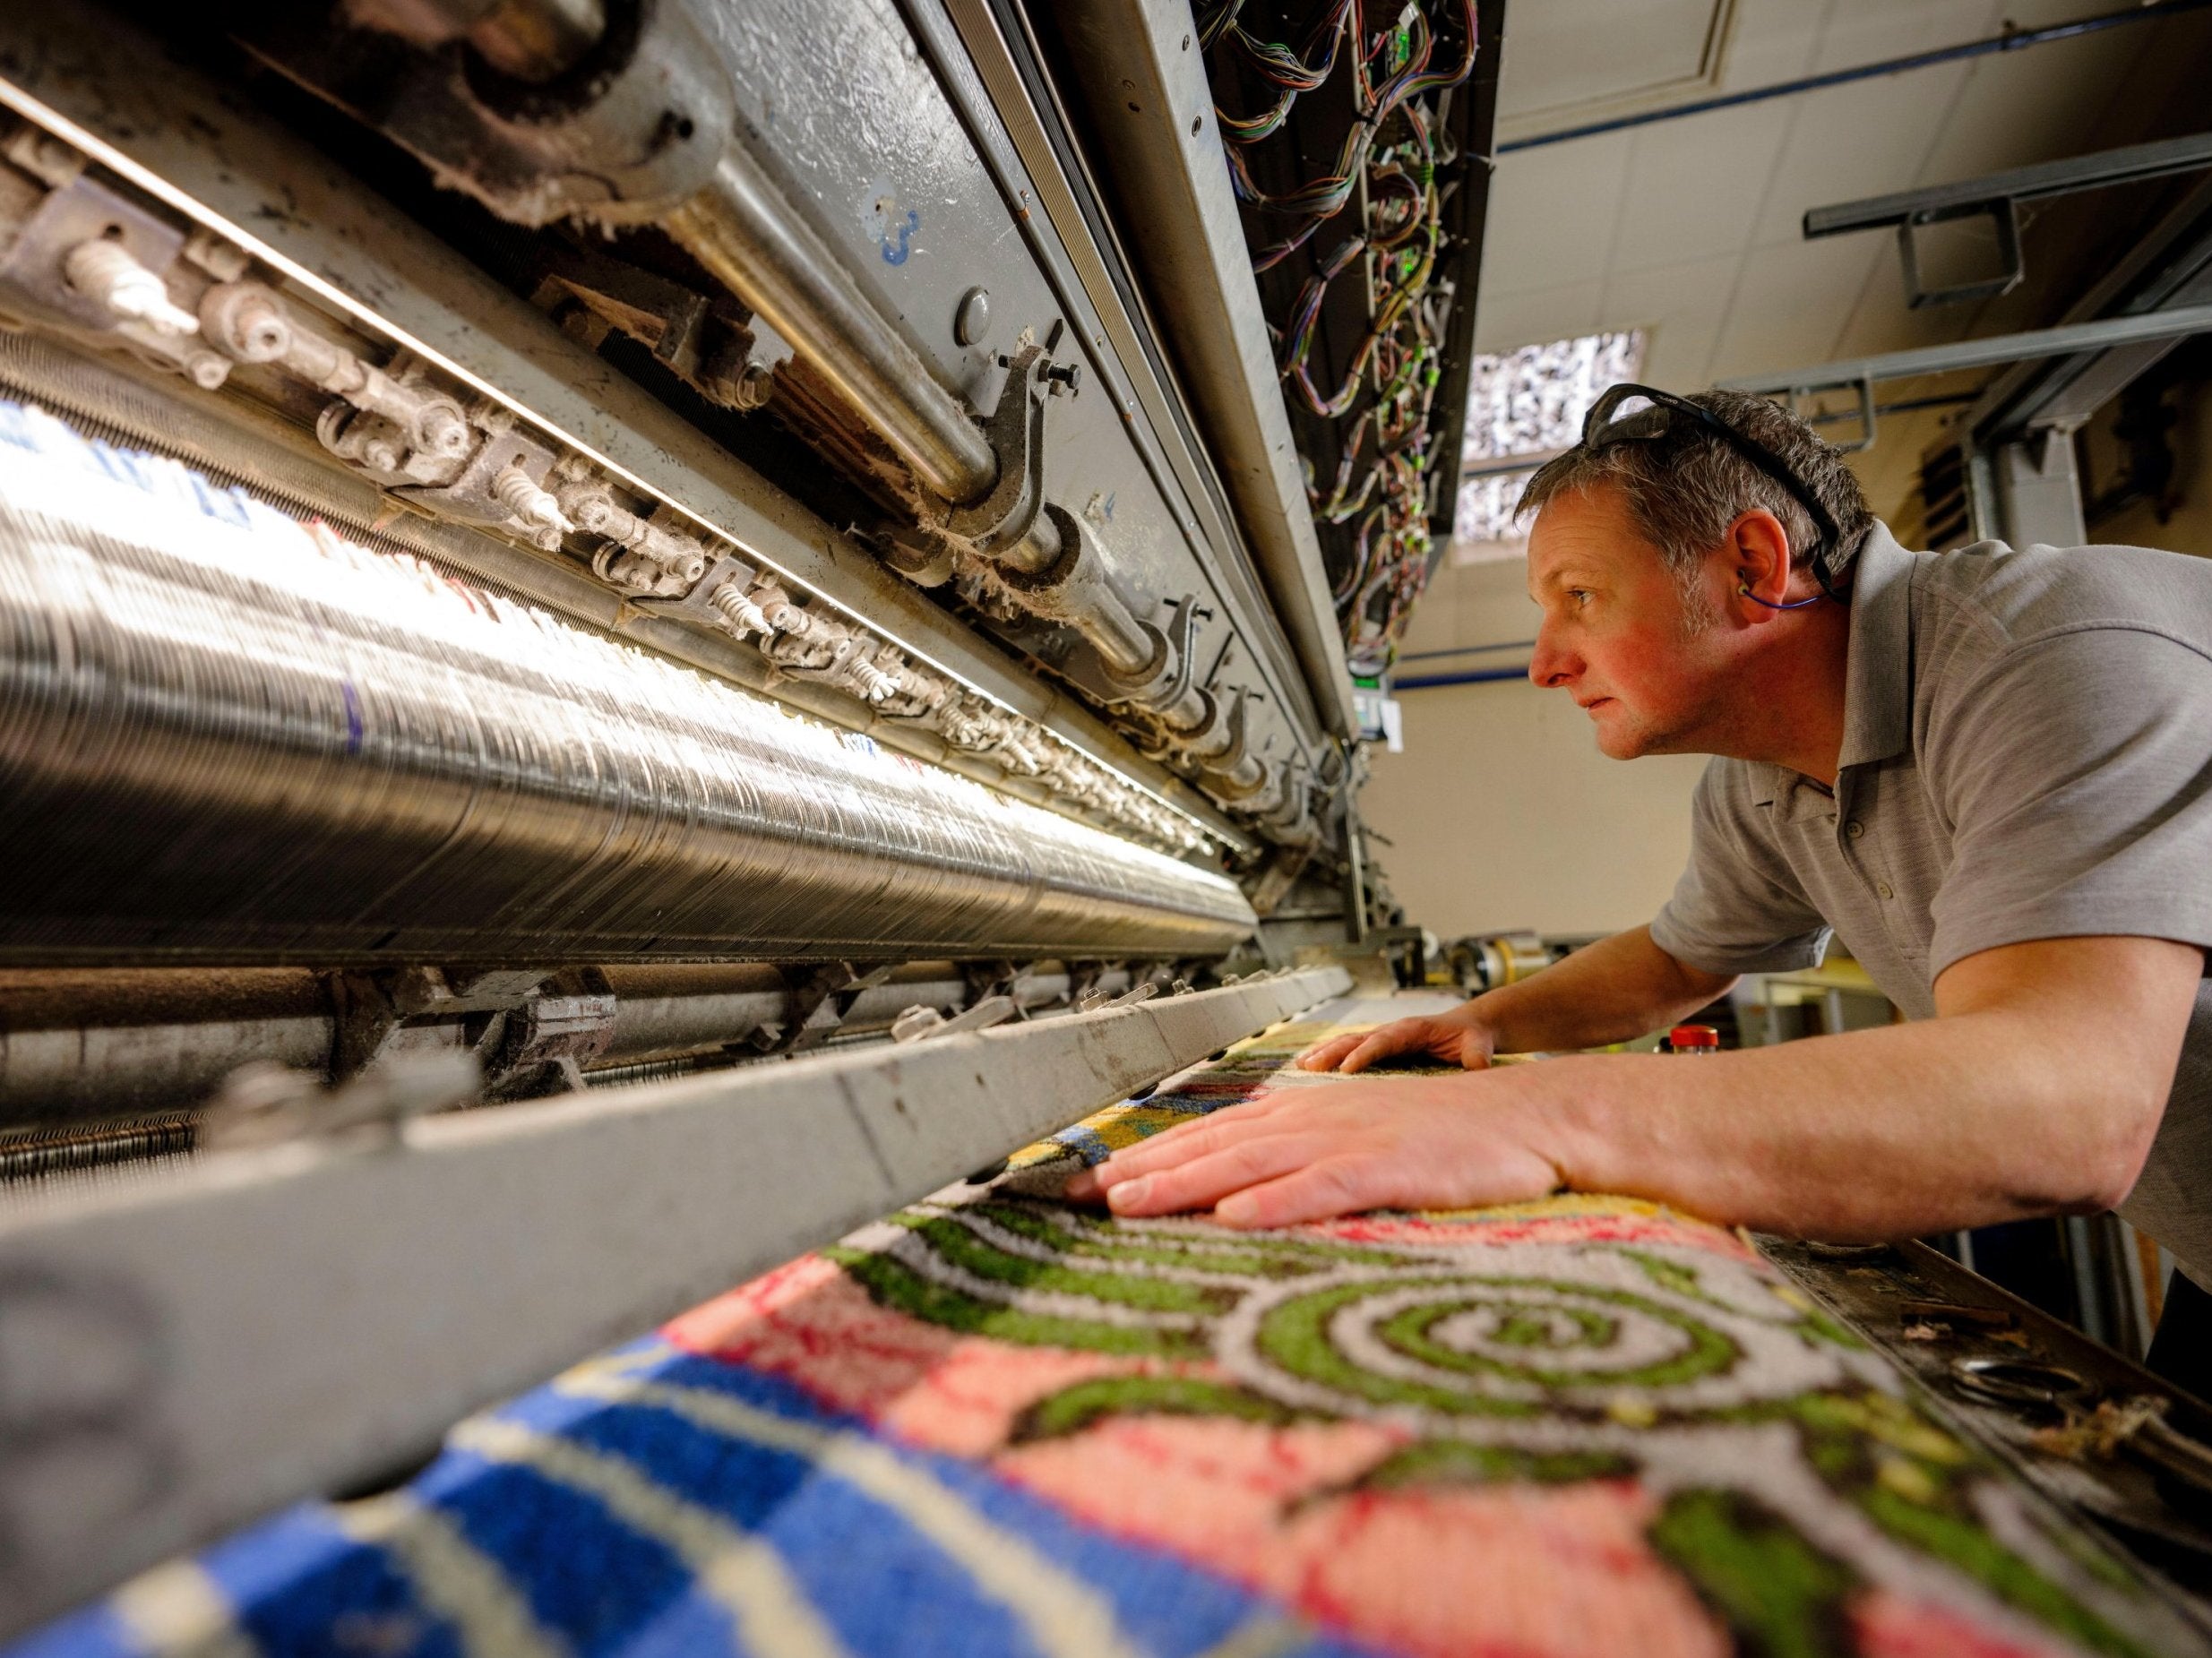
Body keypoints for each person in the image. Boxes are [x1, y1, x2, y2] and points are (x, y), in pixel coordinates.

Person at [1069, 385, 2212, 1394]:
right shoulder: (1765, 779)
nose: (1544, 660)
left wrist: (1531, 1118)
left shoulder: (2057, 659)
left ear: (1755, 568)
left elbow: (2067, 1105)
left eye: (1579, 597)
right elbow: (1675, 962)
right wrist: (1481, 1027)